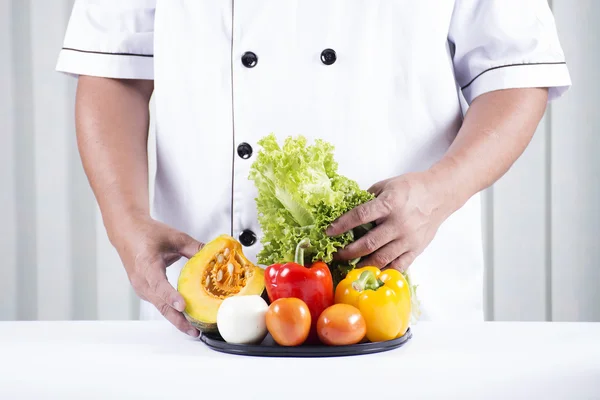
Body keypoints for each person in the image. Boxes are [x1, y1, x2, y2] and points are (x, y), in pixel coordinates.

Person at [56, 1, 571, 337]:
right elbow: (114, 68)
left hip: (399, 290)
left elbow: (515, 72)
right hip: (211, 303)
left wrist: (442, 191)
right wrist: (124, 220)